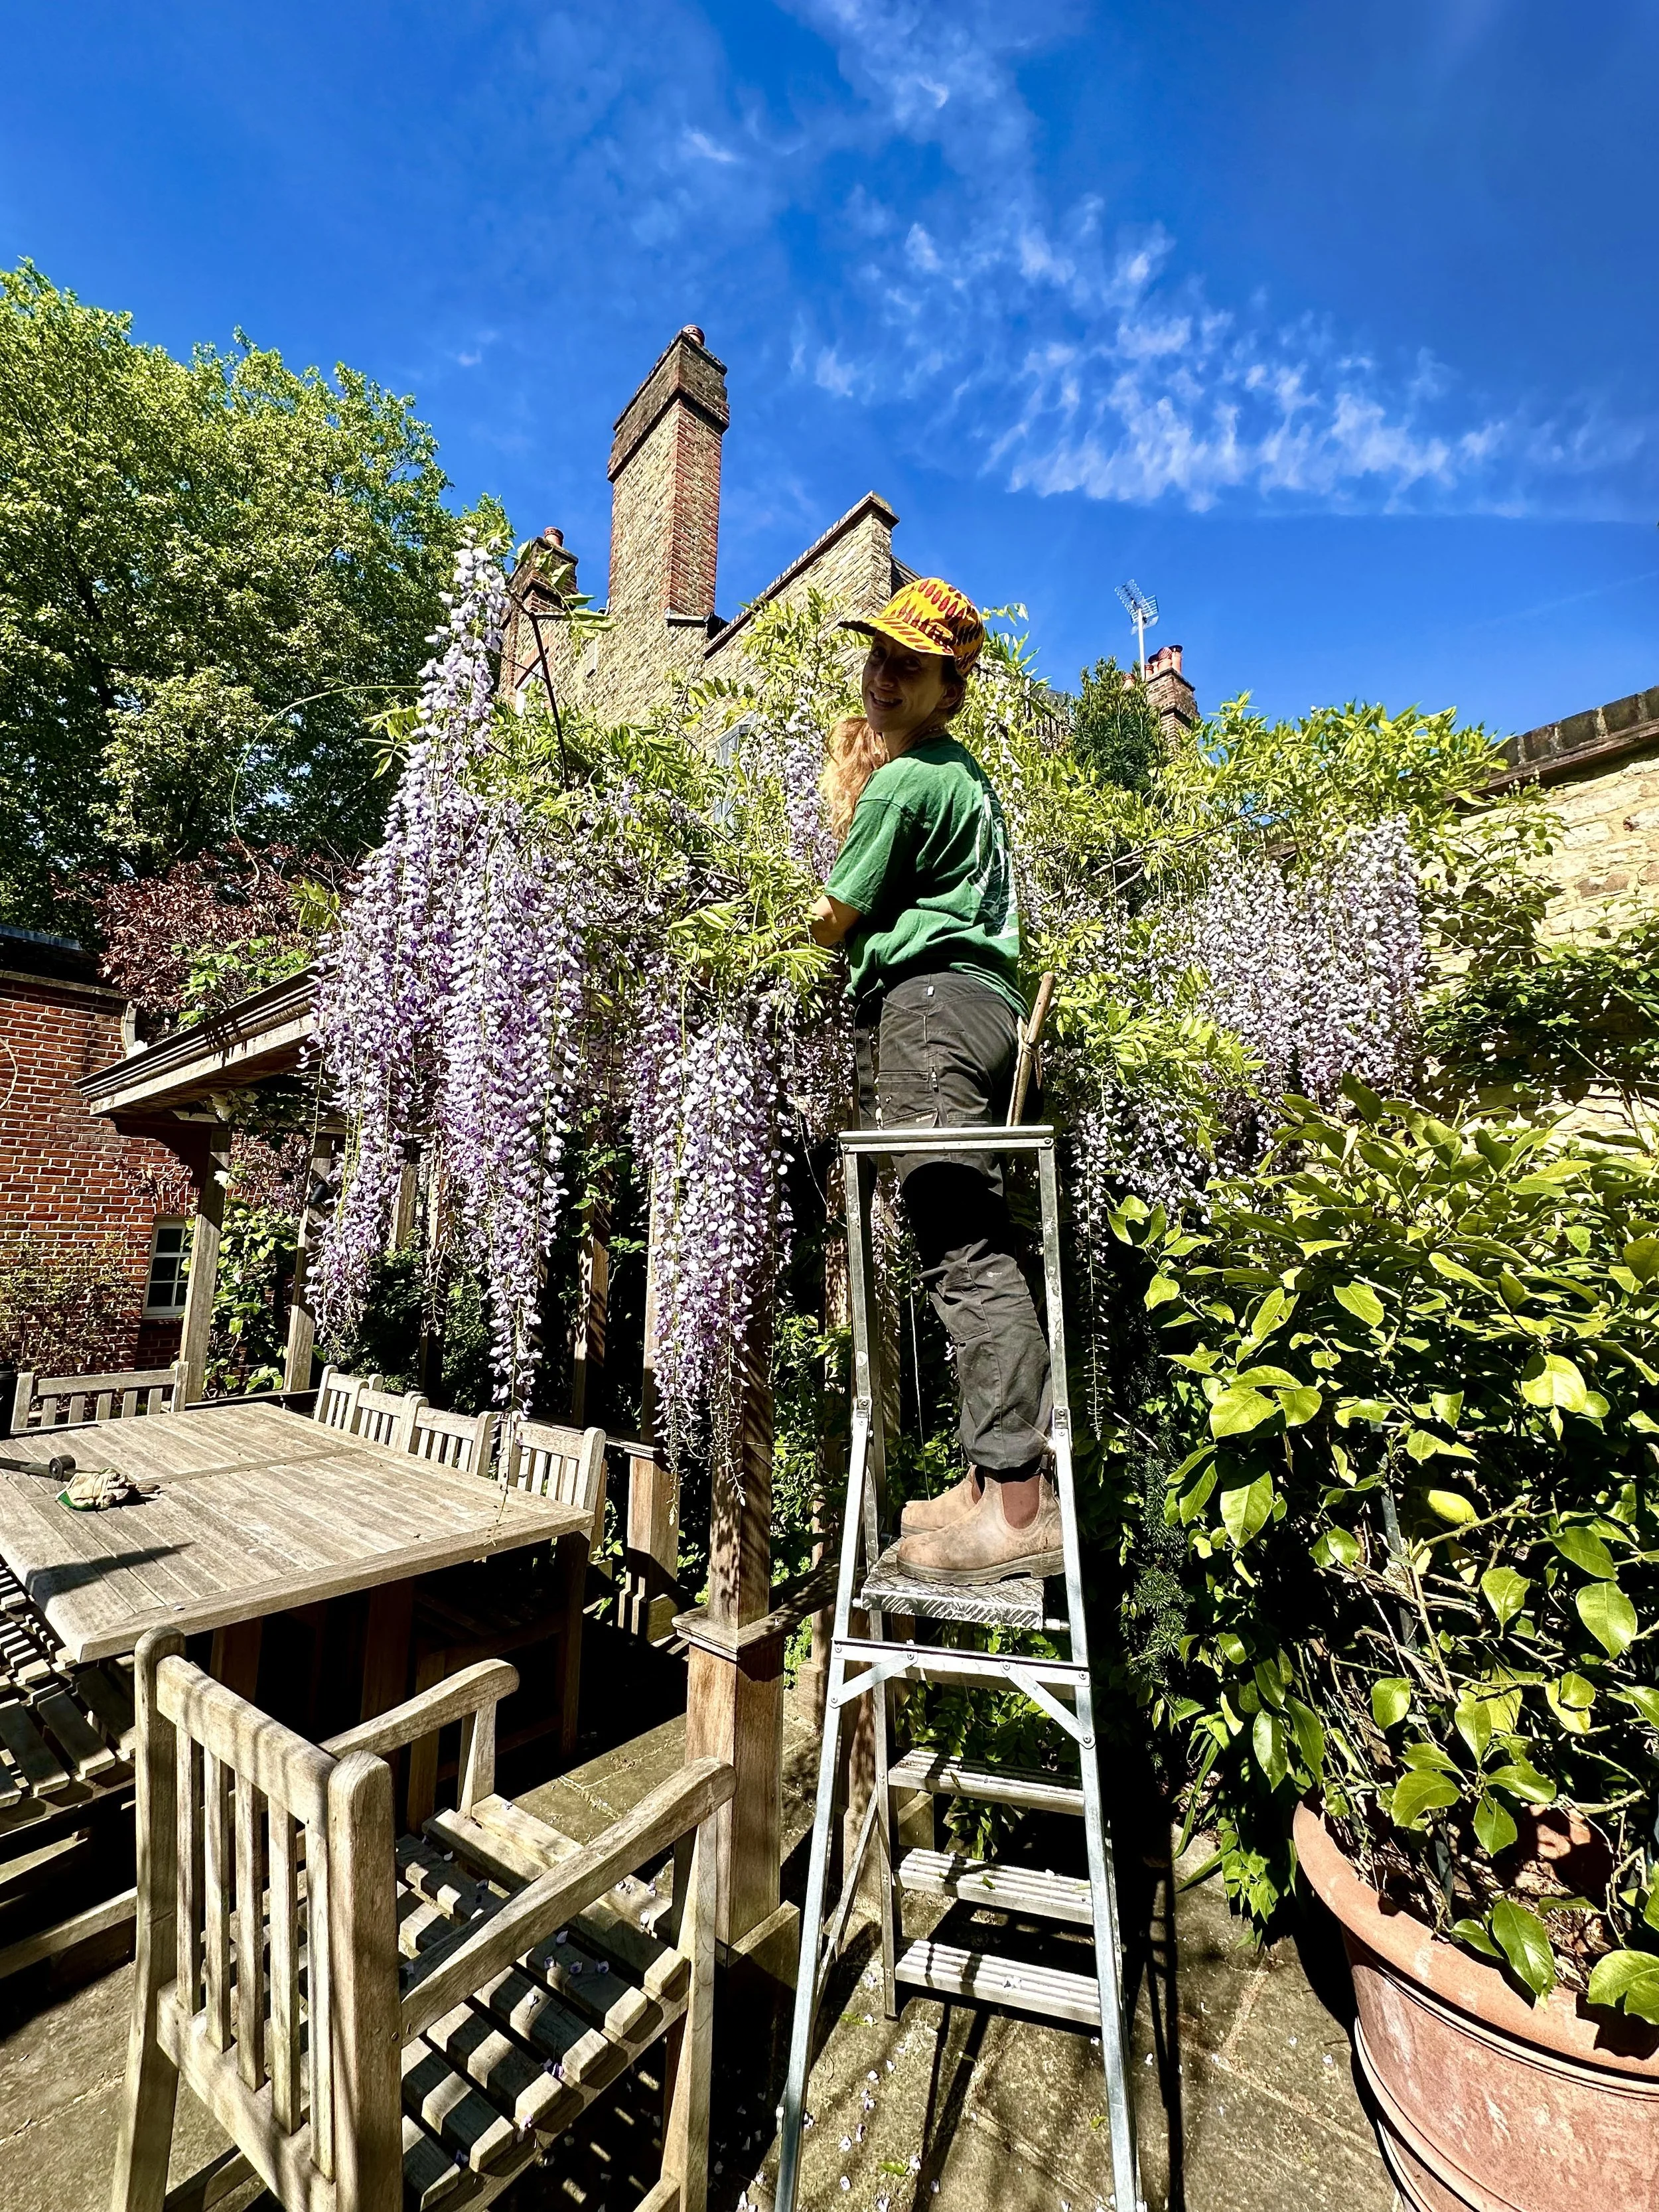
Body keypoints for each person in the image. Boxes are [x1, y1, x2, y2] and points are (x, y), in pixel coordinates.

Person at [808, 578, 1058, 1585]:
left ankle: (1018, 1512)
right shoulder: (966, 780)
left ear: (950, 686)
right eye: (876, 656)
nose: (882, 674)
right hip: (988, 1013)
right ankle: (981, 1483)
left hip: (931, 1011)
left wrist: (785, 940)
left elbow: (837, 913)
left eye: (907, 664)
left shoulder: (906, 782)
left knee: (964, 1252)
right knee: (971, 1234)